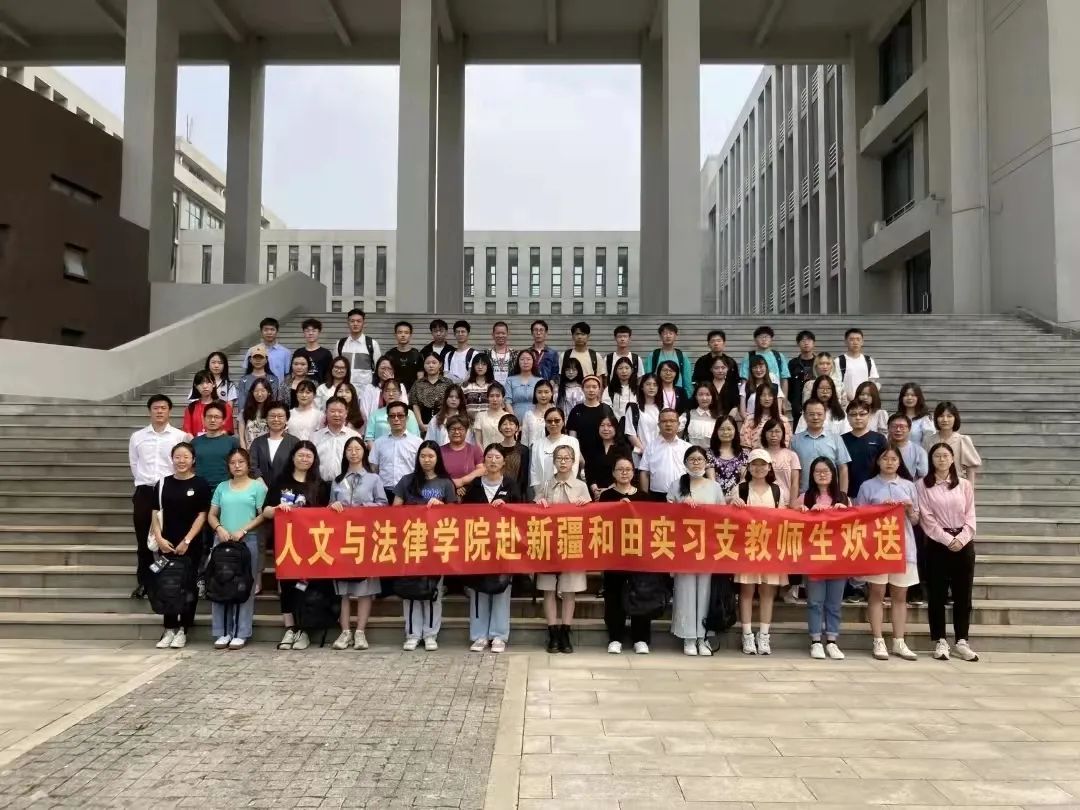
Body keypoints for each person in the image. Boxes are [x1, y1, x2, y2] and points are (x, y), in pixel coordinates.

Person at [857, 445, 921, 661]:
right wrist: (878, 510)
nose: (889, 462)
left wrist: (909, 509)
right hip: (877, 548)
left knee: (900, 595)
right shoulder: (868, 486)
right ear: (878, 461)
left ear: (899, 462)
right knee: (876, 593)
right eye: (885, 458)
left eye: (894, 459)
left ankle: (899, 641)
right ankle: (878, 639)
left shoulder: (909, 486)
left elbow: (916, 520)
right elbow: (859, 518)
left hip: (903, 547)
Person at [393, 441, 458, 651]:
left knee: (433, 590)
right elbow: (394, 510)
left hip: (437, 544)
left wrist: (442, 507)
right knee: (411, 589)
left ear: (438, 458)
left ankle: (430, 634)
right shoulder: (407, 481)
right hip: (411, 542)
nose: (427, 460)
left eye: (431, 456)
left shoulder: (446, 483)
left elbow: (456, 515)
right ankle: (412, 633)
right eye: (423, 456)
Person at [261, 441, 325, 652]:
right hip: (286, 543)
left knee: (305, 586)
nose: (304, 459)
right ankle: (290, 627)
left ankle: (304, 629)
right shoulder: (281, 482)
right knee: (287, 585)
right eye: (300, 455)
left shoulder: (319, 485)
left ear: (314, 460)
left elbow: (326, 515)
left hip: (311, 545)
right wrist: (277, 509)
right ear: (293, 457)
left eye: (308, 456)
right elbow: (265, 511)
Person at [918, 442, 979, 662]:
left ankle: (962, 640)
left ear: (953, 459)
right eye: (937, 456)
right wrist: (946, 539)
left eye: (945, 455)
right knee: (937, 594)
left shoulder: (964, 485)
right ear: (931, 460)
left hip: (963, 543)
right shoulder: (922, 485)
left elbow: (970, 514)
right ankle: (940, 640)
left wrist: (961, 539)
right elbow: (927, 518)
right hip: (937, 544)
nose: (942, 459)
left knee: (963, 593)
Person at [328, 437, 387, 651]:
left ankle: (360, 632)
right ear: (345, 453)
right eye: (349, 449)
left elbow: (383, 505)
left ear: (364, 452)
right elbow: (328, 507)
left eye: (357, 449)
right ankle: (345, 631)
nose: (353, 453)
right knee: (343, 589)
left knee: (365, 588)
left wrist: (365, 507)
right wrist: (333, 506)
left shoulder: (373, 479)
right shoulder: (337, 480)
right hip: (342, 538)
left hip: (366, 538)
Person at [462, 444, 522, 653]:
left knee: (501, 589)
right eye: (489, 457)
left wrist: (506, 507)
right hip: (479, 545)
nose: (493, 461)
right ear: (484, 461)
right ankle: (479, 635)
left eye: (497, 457)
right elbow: (464, 515)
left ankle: (499, 635)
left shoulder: (511, 485)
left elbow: (521, 512)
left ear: (504, 462)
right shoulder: (475, 485)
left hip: (504, 545)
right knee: (478, 590)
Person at [151, 442, 211, 649]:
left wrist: (187, 540)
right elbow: (155, 513)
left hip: (190, 545)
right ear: (172, 459)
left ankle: (183, 629)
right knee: (167, 584)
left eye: (186, 457)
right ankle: (169, 628)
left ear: (193, 460)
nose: (181, 461)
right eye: (177, 457)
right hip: (166, 544)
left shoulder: (200, 484)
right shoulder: (162, 484)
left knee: (187, 586)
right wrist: (159, 538)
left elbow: (202, 515)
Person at [129, 394, 188, 599]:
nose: (159, 411)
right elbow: (134, 464)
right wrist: (145, 482)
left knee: (169, 536)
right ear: (150, 411)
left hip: (170, 489)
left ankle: (166, 579)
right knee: (143, 540)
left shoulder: (180, 436)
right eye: (156, 408)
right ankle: (145, 582)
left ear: (170, 411)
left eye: (163, 408)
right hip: (145, 491)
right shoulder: (137, 437)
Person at [207, 448, 267, 650]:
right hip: (222, 541)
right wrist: (219, 528)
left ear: (248, 464)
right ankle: (222, 632)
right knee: (220, 583)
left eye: (241, 462)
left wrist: (244, 529)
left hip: (247, 540)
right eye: (233, 462)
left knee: (244, 586)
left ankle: (241, 632)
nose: (237, 466)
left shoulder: (257, 487)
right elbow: (212, 514)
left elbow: (262, 514)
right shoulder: (222, 487)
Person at [534, 445, 591, 653]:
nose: (563, 461)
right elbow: (533, 513)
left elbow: (591, 518)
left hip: (572, 542)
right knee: (548, 588)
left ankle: (566, 631)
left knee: (569, 589)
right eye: (559, 458)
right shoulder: (546, 484)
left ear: (573, 461)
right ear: (554, 461)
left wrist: (586, 505)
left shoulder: (581, 486)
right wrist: (539, 502)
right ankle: (552, 631)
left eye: (567, 458)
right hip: (549, 543)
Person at [669, 446, 725, 656]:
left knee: (705, 591)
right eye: (692, 459)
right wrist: (680, 506)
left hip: (707, 546)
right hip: (684, 546)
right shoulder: (676, 485)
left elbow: (723, 516)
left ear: (706, 462)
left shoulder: (714, 487)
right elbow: (664, 516)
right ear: (685, 462)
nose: (696, 463)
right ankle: (688, 637)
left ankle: (703, 636)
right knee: (685, 590)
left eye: (699, 459)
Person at [729, 449, 786, 655]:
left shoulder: (777, 491)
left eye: (763, 464)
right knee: (746, 591)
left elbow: (784, 519)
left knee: (767, 592)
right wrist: (733, 504)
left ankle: (764, 635)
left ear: (769, 467)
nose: (759, 468)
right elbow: (729, 519)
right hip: (747, 546)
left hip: (770, 548)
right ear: (748, 467)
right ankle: (746, 635)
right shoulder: (740, 489)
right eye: (754, 464)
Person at [598, 457, 653, 654]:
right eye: (620, 469)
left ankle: (641, 638)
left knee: (641, 594)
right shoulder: (606, 496)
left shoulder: (644, 497)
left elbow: (650, 524)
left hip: (638, 553)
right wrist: (616, 509)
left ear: (633, 473)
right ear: (613, 473)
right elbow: (600, 522)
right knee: (613, 595)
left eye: (628, 469)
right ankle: (615, 637)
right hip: (614, 553)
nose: (624, 472)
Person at [800, 457, 851, 660]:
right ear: (811, 475)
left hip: (838, 557)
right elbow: (792, 523)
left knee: (834, 602)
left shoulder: (844, 498)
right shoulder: (805, 497)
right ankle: (815, 641)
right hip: (814, 557)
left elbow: (855, 524)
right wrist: (804, 513)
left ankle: (831, 640)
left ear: (833, 474)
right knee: (815, 601)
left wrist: (845, 513)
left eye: (826, 471)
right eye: (817, 471)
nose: (822, 474)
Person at [791, 399, 852, 494]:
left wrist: (843, 494)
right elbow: (792, 471)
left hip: (831, 495)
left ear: (825, 416)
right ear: (804, 416)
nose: (815, 417)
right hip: (804, 495)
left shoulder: (836, 439)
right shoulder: (795, 441)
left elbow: (843, 468)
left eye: (819, 414)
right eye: (811, 414)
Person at [567, 376, 617, 489]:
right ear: (582, 389)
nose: (591, 390)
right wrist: (578, 454)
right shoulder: (576, 410)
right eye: (588, 387)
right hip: (581, 456)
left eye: (594, 387)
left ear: (599, 389)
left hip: (601, 455)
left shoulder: (606, 409)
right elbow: (572, 436)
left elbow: (612, 433)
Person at [370, 402, 424, 502]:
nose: (396, 419)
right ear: (388, 419)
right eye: (392, 416)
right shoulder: (378, 443)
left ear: (407, 418)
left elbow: (421, 469)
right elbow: (374, 469)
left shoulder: (418, 442)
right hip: (384, 492)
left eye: (400, 415)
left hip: (409, 492)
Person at [639, 409, 695, 500]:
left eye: (672, 421)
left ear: (678, 424)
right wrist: (644, 497)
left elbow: (694, 472)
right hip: (657, 496)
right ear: (658, 425)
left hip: (683, 496)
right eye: (664, 421)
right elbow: (644, 472)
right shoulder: (650, 447)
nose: (668, 424)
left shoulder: (687, 447)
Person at [923, 402, 982, 488]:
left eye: (949, 416)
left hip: (956, 486)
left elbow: (971, 469)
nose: (945, 420)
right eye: (941, 416)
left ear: (955, 418)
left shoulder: (962, 440)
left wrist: (970, 490)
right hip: (933, 486)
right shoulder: (928, 440)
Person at [528, 407, 582, 496]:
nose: (553, 424)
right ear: (545, 423)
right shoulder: (537, 444)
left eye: (557, 421)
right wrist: (539, 494)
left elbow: (574, 468)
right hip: (543, 493)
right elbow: (534, 472)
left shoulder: (572, 441)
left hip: (567, 492)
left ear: (563, 422)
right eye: (549, 421)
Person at [842, 400, 889, 500]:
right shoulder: (841, 440)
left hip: (875, 493)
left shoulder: (879, 439)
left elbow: (886, 465)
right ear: (848, 417)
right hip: (849, 494)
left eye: (862, 414)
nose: (858, 418)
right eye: (853, 414)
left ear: (869, 416)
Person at [581, 414, 632, 498]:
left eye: (609, 425)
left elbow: (627, 471)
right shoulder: (592, 447)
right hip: (595, 494)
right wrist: (595, 490)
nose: (605, 429)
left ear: (615, 428)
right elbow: (589, 471)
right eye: (602, 425)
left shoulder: (624, 448)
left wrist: (607, 491)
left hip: (618, 492)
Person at [248, 402, 299, 484]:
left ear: (286, 419)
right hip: (261, 487)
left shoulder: (294, 442)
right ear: (266, 419)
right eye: (272, 416)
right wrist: (260, 482)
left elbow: (298, 467)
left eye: (280, 416)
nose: (276, 419)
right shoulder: (257, 442)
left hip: (287, 488)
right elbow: (252, 466)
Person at [313, 398, 361, 482]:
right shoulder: (315, 437)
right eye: (332, 411)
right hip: (319, 484)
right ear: (326, 412)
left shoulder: (355, 436)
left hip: (347, 484)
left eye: (340, 411)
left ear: (346, 413)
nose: (336, 414)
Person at [739, 325, 790, 402]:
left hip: (775, 396)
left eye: (767, 337)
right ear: (755, 340)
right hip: (754, 396)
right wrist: (744, 399)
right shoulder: (749, 356)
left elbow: (784, 379)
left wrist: (784, 400)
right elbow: (744, 379)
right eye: (760, 337)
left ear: (771, 339)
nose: (764, 339)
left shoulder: (778, 356)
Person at [691, 329, 740, 407]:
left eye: (719, 341)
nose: (716, 343)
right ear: (708, 344)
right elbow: (697, 382)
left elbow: (735, 382)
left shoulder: (731, 362)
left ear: (724, 343)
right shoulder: (702, 361)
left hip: (727, 401)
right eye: (713, 341)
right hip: (706, 401)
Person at [441, 415, 485, 499]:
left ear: (466, 431)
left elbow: (482, 470)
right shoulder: (439, 451)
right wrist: (452, 485)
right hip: (444, 494)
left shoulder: (474, 450)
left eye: (460, 429)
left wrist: (461, 482)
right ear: (447, 431)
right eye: (453, 429)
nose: (456, 432)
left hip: (470, 493)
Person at [364, 378, 421, 443]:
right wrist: (376, 449)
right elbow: (369, 438)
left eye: (394, 391)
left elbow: (415, 437)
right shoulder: (375, 414)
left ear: (400, 393)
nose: (391, 394)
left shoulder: (409, 413)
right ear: (382, 394)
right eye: (387, 391)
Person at [336, 308, 381, 389]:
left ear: (364, 323)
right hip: (344, 390)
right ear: (348, 323)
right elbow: (335, 368)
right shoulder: (340, 344)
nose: (355, 324)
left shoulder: (372, 344)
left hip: (366, 391)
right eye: (352, 321)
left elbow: (378, 369)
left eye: (359, 321)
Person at [237, 345, 286, 417]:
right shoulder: (244, 380)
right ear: (250, 360)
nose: (258, 360)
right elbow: (241, 402)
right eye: (255, 357)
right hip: (249, 416)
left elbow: (274, 400)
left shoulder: (273, 379)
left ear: (266, 360)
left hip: (268, 415)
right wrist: (243, 416)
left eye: (261, 357)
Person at [646, 322, 694, 396]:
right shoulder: (654, 355)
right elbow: (648, 376)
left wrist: (687, 396)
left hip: (677, 394)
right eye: (665, 333)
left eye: (671, 333)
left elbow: (687, 379)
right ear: (660, 336)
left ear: (676, 336)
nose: (668, 336)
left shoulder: (681, 356)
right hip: (658, 394)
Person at [706, 415, 748, 497]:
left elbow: (744, 479)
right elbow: (711, 480)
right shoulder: (709, 454)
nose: (725, 432)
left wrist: (735, 497)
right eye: (722, 429)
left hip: (738, 497)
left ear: (735, 431)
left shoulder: (744, 454)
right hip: (716, 497)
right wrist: (722, 499)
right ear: (716, 431)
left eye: (729, 429)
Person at [762, 418, 801, 507]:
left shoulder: (791, 455)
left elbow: (795, 483)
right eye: (770, 431)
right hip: (764, 502)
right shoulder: (759, 454)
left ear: (783, 433)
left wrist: (792, 503)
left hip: (785, 502)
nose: (773, 435)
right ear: (764, 433)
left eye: (777, 431)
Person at [184, 371, 234, 437]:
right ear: (196, 386)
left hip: (219, 441)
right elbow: (187, 431)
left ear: (214, 384)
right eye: (201, 383)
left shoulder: (224, 406)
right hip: (196, 442)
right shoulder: (191, 407)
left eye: (208, 382)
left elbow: (227, 429)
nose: (205, 386)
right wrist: (196, 441)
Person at [741, 383, 790, 450]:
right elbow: (745, 446)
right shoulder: (750, 420)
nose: (767, 398)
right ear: (758, 398)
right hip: (755, 455)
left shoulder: (783, 421)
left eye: (770, 395)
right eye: (763, 395)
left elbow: (785, 445)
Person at [411, 353, 452, 433]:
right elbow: (415, 405)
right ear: (424, 365)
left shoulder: (448, 383)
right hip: (423, 421)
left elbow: (451, 404)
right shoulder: (418, 384)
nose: (431, 365)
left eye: (434, 363)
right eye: (427, 363)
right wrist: (420, 424)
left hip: (443, 421)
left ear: (440, 364)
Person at [839, 327, 881, 404]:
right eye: (851, 339)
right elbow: (836, 383)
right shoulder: (839, 361)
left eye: (858, 339)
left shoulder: (869, 360)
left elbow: (873, 383)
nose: (855, 342)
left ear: (862, 342)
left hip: (865, 403)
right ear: (845, 342)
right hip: (845, 404)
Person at [787, 330, 819, 427]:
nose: (806, 343)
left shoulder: (819, 362)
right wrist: (794, 402)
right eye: (803, 340)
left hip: (817, 405)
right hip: (798, 407)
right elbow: (788, 385)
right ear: (798, 344)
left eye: (809, 340)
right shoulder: (793, 363)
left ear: (814, 343)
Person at [245, 317, 291, 381]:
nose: (269, 332)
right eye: (266, 330)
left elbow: (287, 375)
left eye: (272, 329)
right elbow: (247, 372)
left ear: (277, 331)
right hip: (257, 386)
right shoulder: (252, 350)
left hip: (278, 387)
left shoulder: (285, 352)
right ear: (261, 332)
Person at [384, 320, 424, 392]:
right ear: (395, 335)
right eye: (400, 332)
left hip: (412, 393)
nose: (403, 335)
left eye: (406, 333)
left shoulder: (417, 355)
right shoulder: (389, 355)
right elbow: (386, 376)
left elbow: (420, 379)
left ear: (410, 335)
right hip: (394, 392)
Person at [496, 413, 531, 495]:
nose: (508, 427)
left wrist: (517, 492)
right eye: (504, 424)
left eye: (511, 424)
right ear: (500, 428)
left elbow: (524, 476)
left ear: (517, 428)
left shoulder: (524, 450)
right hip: (497, 490)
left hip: (517, 492)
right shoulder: (495, 449)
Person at [292, 318, 333, 384]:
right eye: (307, 331)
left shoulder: (326, 353)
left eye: (314, 331)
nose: (310, 333)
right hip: (301, 388)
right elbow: (292, 372)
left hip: (320, 388)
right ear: (303, 332)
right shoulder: (298, 352)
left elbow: (329, 374)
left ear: (319, 332)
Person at [473, 382, 514, 447]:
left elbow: (511, 441)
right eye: (491, 396)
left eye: (498, 396)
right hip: (485, 452)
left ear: (503, 398)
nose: (494, 399)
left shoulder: (508, 417)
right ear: (487, 398)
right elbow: (478, 441)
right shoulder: (480, 416)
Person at [239, 378, 276, 450]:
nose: (259, 394)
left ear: (269, 392)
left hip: (270, 451)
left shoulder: (274, 412)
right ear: (252, 393)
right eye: (256, 391)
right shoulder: (244, 412)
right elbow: (241, 438)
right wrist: (245, 453)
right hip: (251, 452)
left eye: (263, 391)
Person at [506, 349, 540, 424]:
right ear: (518, 362)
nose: (525, 362)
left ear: (533, 362)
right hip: (515, 420)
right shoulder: (510, 380)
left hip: (536, 420)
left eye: (528, 359)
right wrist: (514, 421)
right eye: (522, 359)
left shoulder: (540, 381)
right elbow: (507, 402)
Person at [898, 382, 935, 448]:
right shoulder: (896, 418)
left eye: (913, 395)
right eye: (906, 395)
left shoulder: (926, 419)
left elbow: (929, 442)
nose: (909, 398)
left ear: (919, 398)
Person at [705, 355, 742, 422]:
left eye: (723, 368)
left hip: (727, 422)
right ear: (711, 369)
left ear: (727, 368)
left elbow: (735, 406)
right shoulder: (706, 386)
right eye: (716, 368)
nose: (720, 371)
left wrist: (727, 421)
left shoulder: (732, 386)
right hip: (707, 420)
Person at [602, 356, 639, 422]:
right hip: (615, 425)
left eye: (627, 368)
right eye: (620, 368)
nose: (624, 371)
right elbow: (606, 407)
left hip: (634, 424)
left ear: (632, 370)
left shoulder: (638, 389)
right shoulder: (610, 389)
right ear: (616, 371)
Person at [522, 381, 556, 450]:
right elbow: (524, 440)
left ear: (552, 393)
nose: (543, 395)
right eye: (539, 392)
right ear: (535, 394)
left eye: (546, 392)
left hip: (554, 452)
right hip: (533, 453)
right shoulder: (528, 415)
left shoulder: (557, 413)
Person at [685, 382, 719, 449]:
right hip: (692, 453)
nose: (704, 398)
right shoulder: (688, 415)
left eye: (708, 395)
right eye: (700, 395)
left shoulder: (718, 417)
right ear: (696, 397)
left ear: (712, 397)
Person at [444, 320, 478, 384]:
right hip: (452, 388)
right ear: (454, 334)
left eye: (463, 332)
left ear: (468, 334)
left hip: (467, 388)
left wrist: (461, 384)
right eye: (458, 332)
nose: (460, 334)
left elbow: (472, 374)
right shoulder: (449, 355)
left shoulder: (474, 354)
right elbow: (446, 374)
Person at [462, 353, 495, 418]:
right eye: (477, 364)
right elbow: (461, 406)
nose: (480, 367)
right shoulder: (465, 385)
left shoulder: (494, 385)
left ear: (488, 366)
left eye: (483, 364)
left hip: (489, 421)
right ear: (473, 366)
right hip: (469, 422)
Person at [488, 321, 518, 386]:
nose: (500, 336)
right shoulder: (487, 354)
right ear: (492, 335)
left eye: (503, 333)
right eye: (497, 333)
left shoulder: (515, 355)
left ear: (508, 334)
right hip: (492, 390)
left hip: (510, 389)